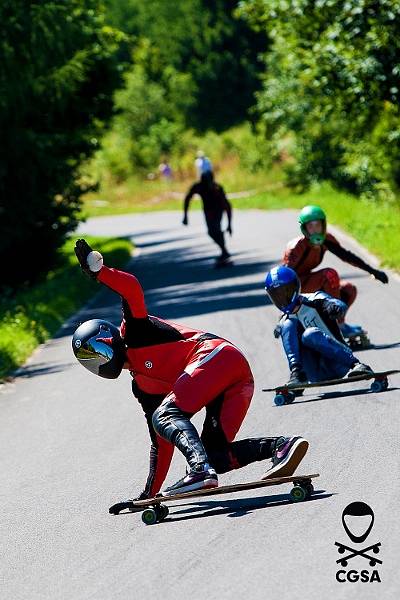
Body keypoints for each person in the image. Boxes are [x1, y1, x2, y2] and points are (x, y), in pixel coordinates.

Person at [73, 239, 310, 507]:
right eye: (89, 361)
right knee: (216, 456)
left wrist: (100, 272)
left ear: (107, 339)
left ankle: (198, 470)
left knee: (166, 417)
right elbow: (162, 443)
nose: (97, 363)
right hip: (235, 381)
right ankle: (281, 446)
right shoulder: (142, 386)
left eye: (96, 352)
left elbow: (131, 288)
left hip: (217, 356)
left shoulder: (134, 331)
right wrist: (148, 498)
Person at [283, 205, 389, 338]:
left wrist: (373, 271)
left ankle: (333, 323)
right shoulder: (296, 247)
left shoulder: (327, 240)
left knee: (349, 289)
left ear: (324, 225)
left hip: (311, 283)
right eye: (311, 226)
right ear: (304, 229)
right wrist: (286, 315)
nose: (315, 230)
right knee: (329, 274)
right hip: (298, 289)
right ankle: (337, 326)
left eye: (318, 225)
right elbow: (283, 280)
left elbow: (347, 256)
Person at [265, 265, 373, 386]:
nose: (282, 298)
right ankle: (297, 375)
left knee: (309, 334)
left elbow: (338, 304)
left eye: (286, 291)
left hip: (340, 363)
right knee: (287, 325)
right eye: (277, 295)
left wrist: (333, 307)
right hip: (314, 373)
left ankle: (356, 365)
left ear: (296, 287)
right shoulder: (284, 319)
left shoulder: (314, 298)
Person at [183, 171, 232, 266]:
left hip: (218, 210)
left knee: (215, 230)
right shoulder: (199, 186)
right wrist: (185, 215)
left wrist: (229, 224)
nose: (207, 184)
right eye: (205, 182)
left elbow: (227, 205)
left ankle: (224, 251)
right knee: (212, 231)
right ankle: (224, 251)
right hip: (208, 211)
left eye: (209, 182)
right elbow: (188, 198)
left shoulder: (217, 188)